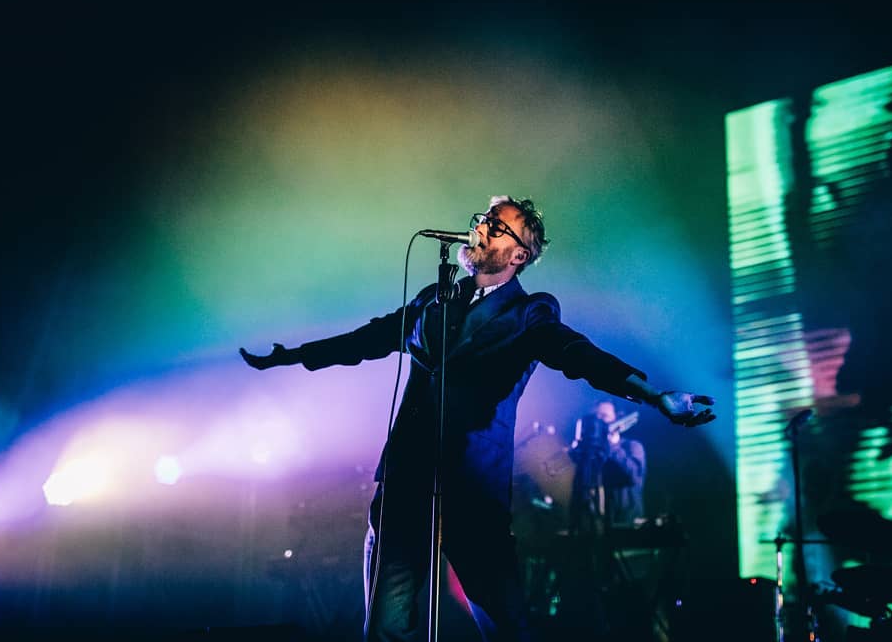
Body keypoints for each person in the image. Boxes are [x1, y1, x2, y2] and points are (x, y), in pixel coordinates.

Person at [239, 195, 716, 642]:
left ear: (519, 255)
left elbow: (578, 354)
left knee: (503, 623)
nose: (481, 228)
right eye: (483, 220)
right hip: (406, 480)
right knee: (385, 626)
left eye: (496, 225)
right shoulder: (434, 300)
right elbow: (370, 338)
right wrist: (293, 355)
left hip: (472, 489)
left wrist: (654, 395)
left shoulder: (529, 312)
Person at [569, 400, 646, 530]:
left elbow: (633, 477)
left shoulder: (632, 446)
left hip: (626, 526)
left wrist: (613, 446)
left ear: (617, 419)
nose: (599, 421)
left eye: (604, 416)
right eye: (596, 417)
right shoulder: (592, 454)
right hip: (596, 528)